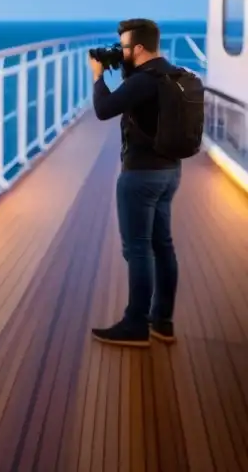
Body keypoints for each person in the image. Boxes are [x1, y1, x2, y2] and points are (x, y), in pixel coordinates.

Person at [89, 18, 180, 347]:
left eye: (125, 48)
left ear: (139, 48)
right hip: (170, 172)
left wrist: (98, 76)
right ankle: (162, 322)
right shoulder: (169, 73)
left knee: (138, 249)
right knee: (162, 246)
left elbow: (103, 110)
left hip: (141, 175)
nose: (121, 52)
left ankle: (135, 325)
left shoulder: (143, 81)